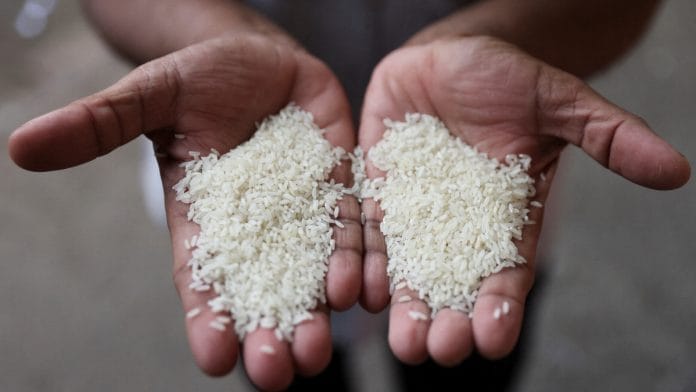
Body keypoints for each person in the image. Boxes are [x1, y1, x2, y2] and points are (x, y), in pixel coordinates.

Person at [8, 0, 690, 391]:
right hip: (234, 133)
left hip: (485, 134)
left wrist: (495, 37)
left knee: (463, 364)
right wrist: (214, 38)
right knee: (292, 363)